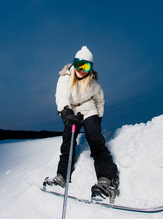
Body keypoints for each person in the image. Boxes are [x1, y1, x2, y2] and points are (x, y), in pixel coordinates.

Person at [43, 46, 119, 203]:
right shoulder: (64, 78)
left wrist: (98, 117)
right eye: (79, 64)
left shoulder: (93, 84)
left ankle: (106, 180)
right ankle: (62, 177)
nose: (81, 70)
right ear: (74, 64)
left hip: (89, 110)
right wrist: (65, 111)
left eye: (86, 66)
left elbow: (100, 100)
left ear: (90, 68)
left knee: (95, 139)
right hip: (72, 112)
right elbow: (61, 96)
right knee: (67, 142)